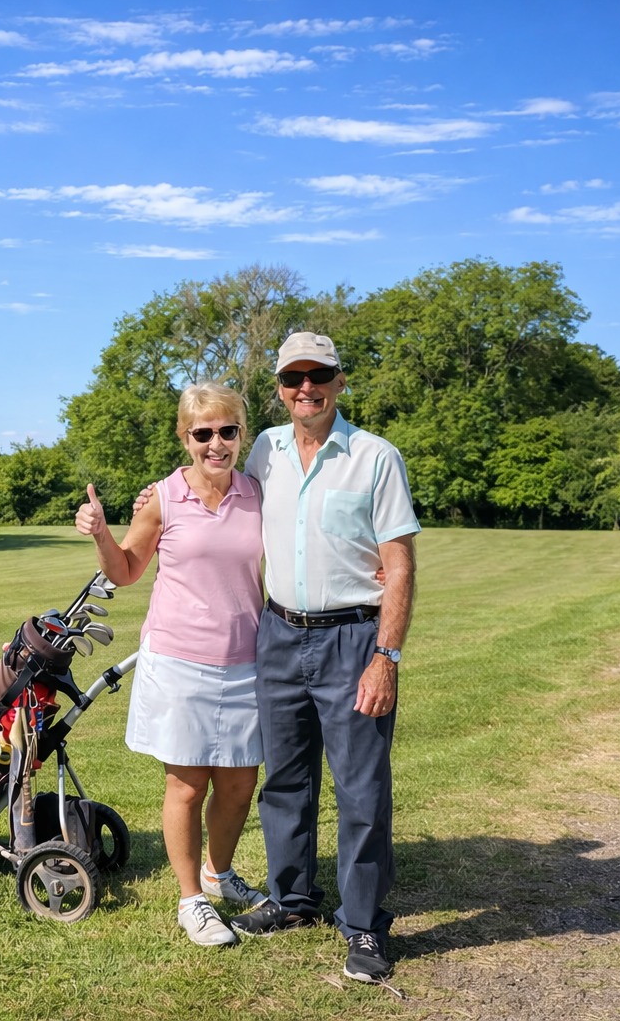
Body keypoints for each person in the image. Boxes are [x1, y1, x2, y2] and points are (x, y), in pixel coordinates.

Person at [226, 332, 418, 984]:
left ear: (338, 381)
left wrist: (384, 656)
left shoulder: (375, 457)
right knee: (285, 780)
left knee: (361, 788)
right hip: (279, 635)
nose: (304, 387)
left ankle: (363, 924)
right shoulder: (265, 450)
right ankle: (291, 899)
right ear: (279, 388)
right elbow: (227, 513)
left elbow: (399, 566)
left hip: (354, 639)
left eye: (318, 375)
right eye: (292, 378)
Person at [75, 381, 268, 947]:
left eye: (227, 431)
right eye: (202, 433)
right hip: (180, 661)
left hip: (247, 660)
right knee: (186, 784)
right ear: (185, 438)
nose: (216, 443)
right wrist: (102, 533)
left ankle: (220, 872)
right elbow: (128, 569)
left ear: (240, 435)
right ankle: (192, 900)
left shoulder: (258, 493)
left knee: (238, 784)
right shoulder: (162, 497)